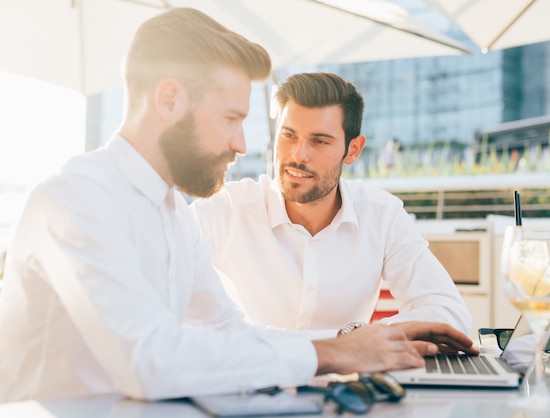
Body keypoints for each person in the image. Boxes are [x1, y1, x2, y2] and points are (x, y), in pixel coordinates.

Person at [0, 8, 477, 403]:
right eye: (231, 118)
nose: (242, 144)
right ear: (168, 99)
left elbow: (227, 328)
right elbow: (147, 360)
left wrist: (355, 346)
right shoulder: (77, 198)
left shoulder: (168, 212)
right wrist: (333, 355)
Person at [190, 73, 472, 338]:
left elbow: (448, 313)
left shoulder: (382, 215)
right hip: (251, 382)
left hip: (349, 387)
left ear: (353, 150)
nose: (298, 155)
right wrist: (344, 343)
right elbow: (163, 300)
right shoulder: (225, 209)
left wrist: (360, 339)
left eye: (319, 141)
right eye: (288, 135)